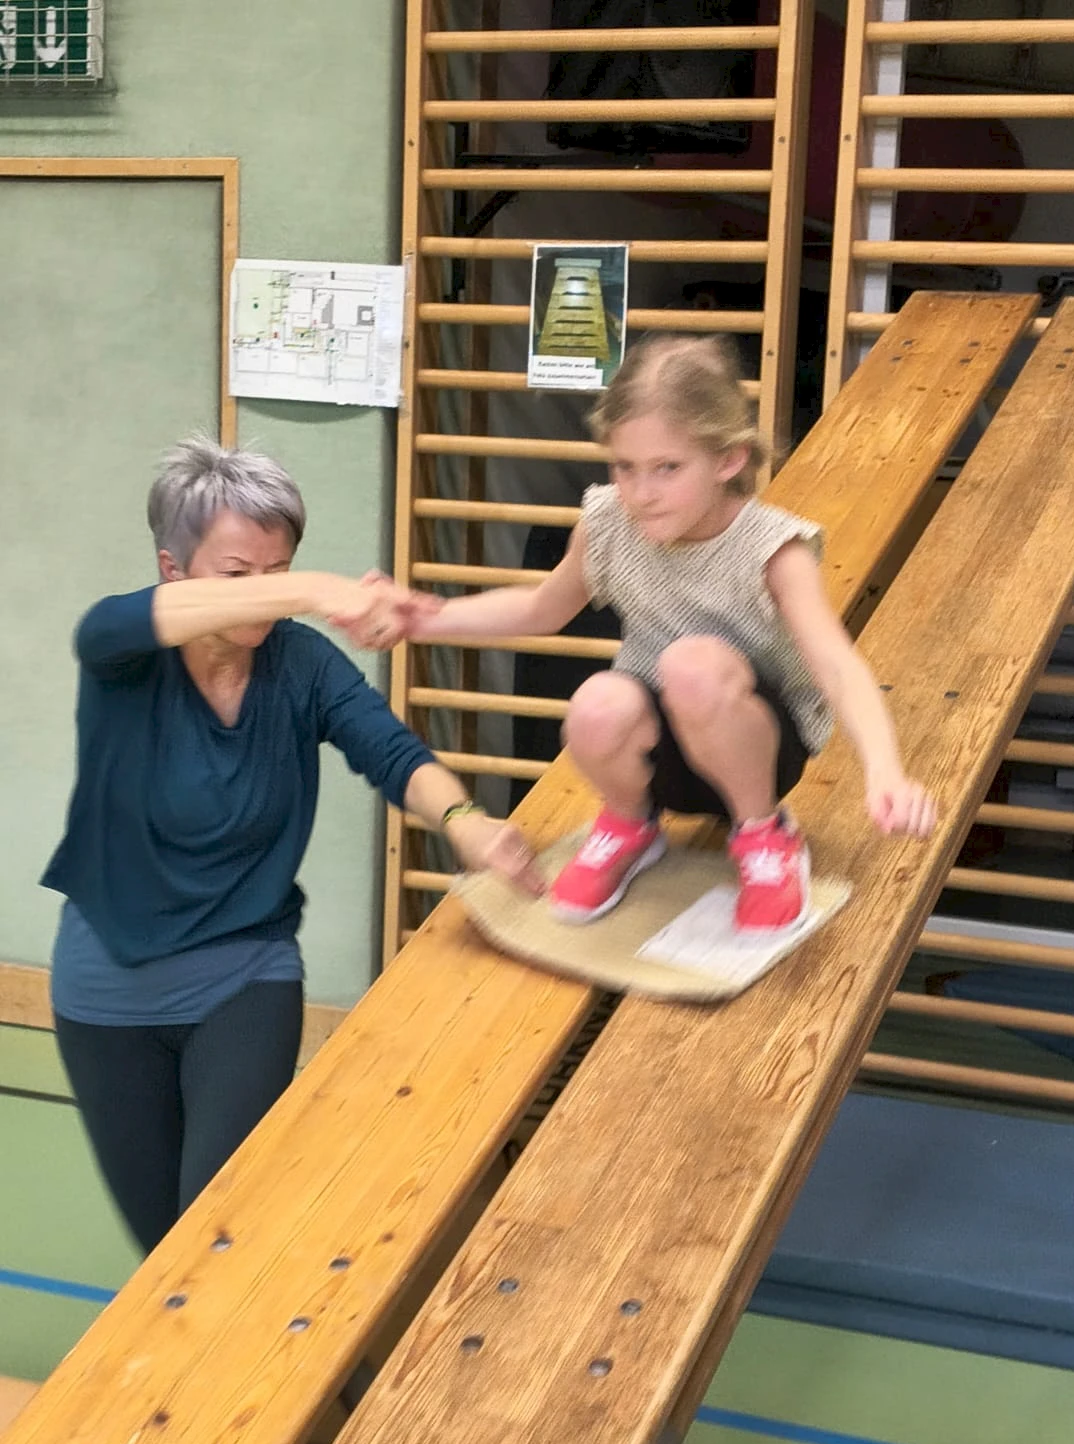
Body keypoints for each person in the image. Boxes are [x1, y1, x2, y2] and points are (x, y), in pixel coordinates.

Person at [42, 435, 541, 1256]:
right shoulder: (120, 653)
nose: (265, 598)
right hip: (106, 991)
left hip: (244, 973)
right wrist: (314, 588)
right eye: (239, 574)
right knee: (164, 1257)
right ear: (173, 570)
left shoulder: (301, 665)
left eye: (279, 572)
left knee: (222, 1236)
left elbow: (394, 755)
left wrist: (465, 821)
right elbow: (114, 625)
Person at [384, 334, 936, 932]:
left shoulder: (774, 549)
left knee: (690, 667)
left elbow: (836, 665)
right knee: (595, 702)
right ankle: (630, 825)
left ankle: (764, 835)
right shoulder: (608, 524)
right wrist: (426, 617)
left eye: (667, 468)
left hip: (757, 748)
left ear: (728, 460)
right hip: (659, 759)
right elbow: (540, 609)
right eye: (625, 467)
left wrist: (885, 768)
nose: (642, 494)